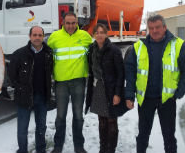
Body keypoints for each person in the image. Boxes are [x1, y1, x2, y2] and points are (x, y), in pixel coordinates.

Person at [125, 14, 185, 153]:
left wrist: (178, 93)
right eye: (151, 28)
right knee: (142, 136)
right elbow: (130, 72)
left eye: (157, 27)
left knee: (169, 137)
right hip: (145, 100)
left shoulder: (178, 45)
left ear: (164, 27)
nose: (154, 31)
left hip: (167, 101)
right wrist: (129, 95)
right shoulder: (139, 47)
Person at [47, 12, 92, 153]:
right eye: (68, 23)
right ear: (63, 22)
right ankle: (58, 145)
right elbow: (46, 57)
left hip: (79, 81)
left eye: (73, 23)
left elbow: (96, 53)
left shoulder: (85, 37)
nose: (71, 26)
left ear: (77, 22)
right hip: (61, 83)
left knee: (78, 115)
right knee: (60, 116)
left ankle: (79, 145)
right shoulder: (54, 37)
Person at [9, 26, 53, 153]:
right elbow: (12, 75)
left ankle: (41, 150)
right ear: (30, 36)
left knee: (41, 127)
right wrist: (21, 88)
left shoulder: (48, 54)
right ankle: (22, 150)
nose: (37, 38)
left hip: (42, 97)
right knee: (22, 129)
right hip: (24, 98)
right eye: (35, 35)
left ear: (43, 37)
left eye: (40, 35)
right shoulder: (19, 54)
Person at [85, 23, 128, 153]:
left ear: (106, 34)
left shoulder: (114, 50)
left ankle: (111, 150)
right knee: (101, 121)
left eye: (102, 32)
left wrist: (117, 94)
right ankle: (103, 148)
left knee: (111, 121)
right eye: (97, 32)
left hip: (111, 90)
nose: (99, 35)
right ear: (93, 34)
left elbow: (121, 74)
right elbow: (91, 71)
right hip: (98, 89)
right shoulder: (91, 50)